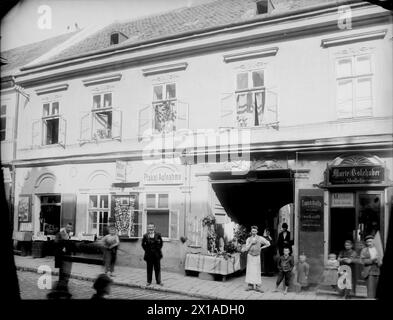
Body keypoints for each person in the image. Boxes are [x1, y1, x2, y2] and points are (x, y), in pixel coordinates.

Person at [243, 226, 270, 292]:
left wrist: (261, 248)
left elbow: (268, 244)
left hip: (257, 256)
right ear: (251, 232)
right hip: (250, 256)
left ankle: (258, 286)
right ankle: (250, 285)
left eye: (255, 231)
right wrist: (251, 243)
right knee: (250, 270)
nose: (254, 232)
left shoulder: (260, 238)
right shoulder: (248, 239)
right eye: (253, 231)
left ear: (257, 231)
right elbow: (246, 249)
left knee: (257, 271)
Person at [360, 235, 382, 299]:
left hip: (378, 269)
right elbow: (362, 261)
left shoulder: (378, 249)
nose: (369, 243)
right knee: (371, 289)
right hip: (369, 270)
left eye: (371, 241)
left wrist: (379, 261)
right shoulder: (364, 250)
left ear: (374, 241)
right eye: (368, 242)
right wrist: (371, 260)